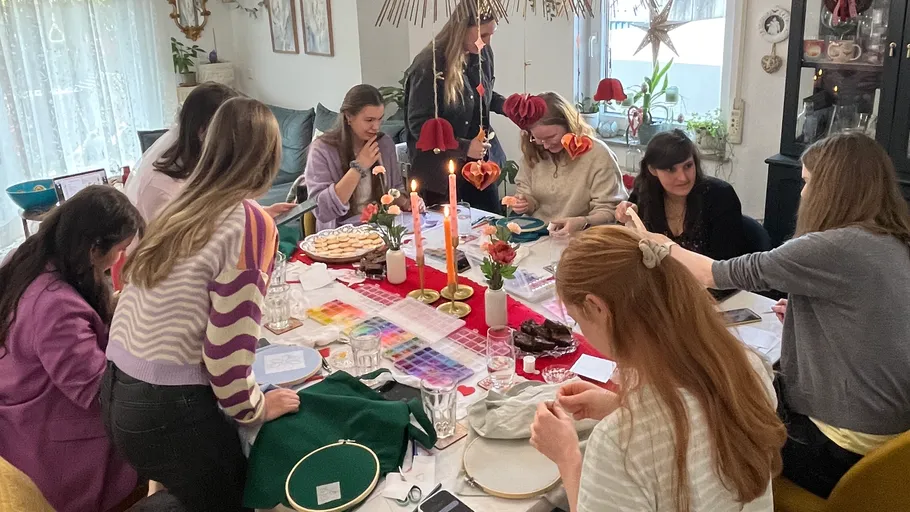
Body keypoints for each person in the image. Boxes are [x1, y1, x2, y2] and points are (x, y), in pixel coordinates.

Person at [651, 133, 910, 498]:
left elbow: (714, 273)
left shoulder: (833, 247)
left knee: (706, 418)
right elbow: (875, 320)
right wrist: (816, 316)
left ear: (831, 188)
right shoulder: (893, 239)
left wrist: (656, 244)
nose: (802, 194)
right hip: (891, 434)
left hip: (840, 445)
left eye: (807, 183)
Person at [103, 98, 301, 512]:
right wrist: (256, 408)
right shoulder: (249, 223)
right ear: (268, 158)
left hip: (119, 390)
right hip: (167, 404)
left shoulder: (185, 202)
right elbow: (226, 352)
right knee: (242, 491)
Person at [530, 226, 785, 512]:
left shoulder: (619, 446)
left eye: (578, 321)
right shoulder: (750, 366)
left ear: (597, 307)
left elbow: (657, 438)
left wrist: (567, 458)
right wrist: (621, 405)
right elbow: (694, 418)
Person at [0, 186, 142, 512]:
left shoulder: (31, 258)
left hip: (18, 416)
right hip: (51, 443)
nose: (117, 261)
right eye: (118, 251)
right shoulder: (55, 307)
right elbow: (98, 392)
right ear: (94, 248)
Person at [404, 0, 508, 212]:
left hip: (479, 169)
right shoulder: (428, 65)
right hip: (439, 173)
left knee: (490, 230)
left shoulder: (484, 53)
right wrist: (464, 146)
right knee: (445, 238)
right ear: (462, 28)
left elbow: (482, 95)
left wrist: (509, 107)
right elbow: (419, 125)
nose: (487, 42)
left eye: (491, 35)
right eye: (483, 35)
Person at [615, 129, 747, 260]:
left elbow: (726, 267)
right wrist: (626, 220)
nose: (683, 178)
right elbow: (626, 253)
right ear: (653, 170)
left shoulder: (720, 196)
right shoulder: (644, 193)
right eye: (671, 169)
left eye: (688, 166)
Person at [512, 92, 627, 232]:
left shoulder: (598, 155)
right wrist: (525, 203)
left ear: (569, 124)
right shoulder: (534, 150)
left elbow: (611, 210)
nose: (546, 146)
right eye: (539, 139)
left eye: (551, 137)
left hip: (582, 238)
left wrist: (583, 222)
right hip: (537, 234)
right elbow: (526, 193)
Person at [305, 84, 409, 231]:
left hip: (382, 231)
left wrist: (406, 203)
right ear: (348, 116)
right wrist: (359, 166)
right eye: (369, 120)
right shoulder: (322, 149)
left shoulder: (384, 143)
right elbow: (322, 210)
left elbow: (395, 189)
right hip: (341, 237)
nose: (376, 127)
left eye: (380, 119)